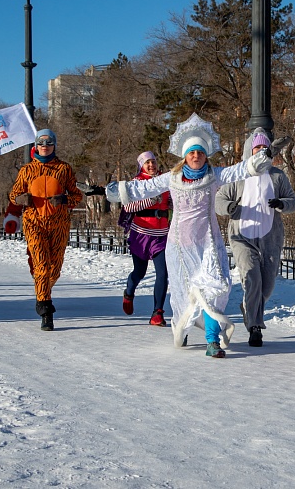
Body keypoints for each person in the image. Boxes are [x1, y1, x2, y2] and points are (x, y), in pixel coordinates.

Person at [86, 114, 272, 358]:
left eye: (200, 152)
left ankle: (212, 340)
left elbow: (237, 171)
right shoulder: (172, 178)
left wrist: (260, 158)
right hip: (180, 247)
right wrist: (105, 190)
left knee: (213, 289)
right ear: (185, 156)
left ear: (205, 155)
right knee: (184, 294)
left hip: (208, 244)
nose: (196, 156)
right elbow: (141, 187)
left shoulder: (214, 175)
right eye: (192, 152)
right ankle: (181, 327)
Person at [215, 129, 295, 347]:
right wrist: (230, 207)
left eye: (264, 147)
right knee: (252, 276)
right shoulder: (238, 174)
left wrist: (282, 204)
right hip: (242, 236)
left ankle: (248, 307)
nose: (261, 151)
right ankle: (255, 326)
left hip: (271, 236)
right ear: (249, 151)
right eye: (257, 147)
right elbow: (219, 200)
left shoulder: (277, 176)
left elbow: (293, 201)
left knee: (267, 285)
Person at [9, 129, 82, 331]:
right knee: (41, 265)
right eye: (41, 143)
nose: (45, 146)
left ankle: (42, 288)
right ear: (36, 146)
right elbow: (14, 195)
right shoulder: (27, 170)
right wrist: (21, 198)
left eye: (49, 143)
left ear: (54, 145)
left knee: (54, 270)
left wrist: (64, 199)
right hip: (34, 223)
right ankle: (45, 310)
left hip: (59, 224)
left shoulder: (63, 169)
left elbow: (77, 195)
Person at [119, 151, 172, 327]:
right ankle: (129, 292)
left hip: (161, 234)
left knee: (163, 273)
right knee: (139, 272)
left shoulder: (164, 181)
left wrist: (171, 204)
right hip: (141, 233)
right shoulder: (136, 183)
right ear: (141, 165)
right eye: (147, 163)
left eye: (153, 162)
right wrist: (151, 200)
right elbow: (129, 206)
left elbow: (172, 200)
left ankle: (157, 312)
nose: (151, 165)